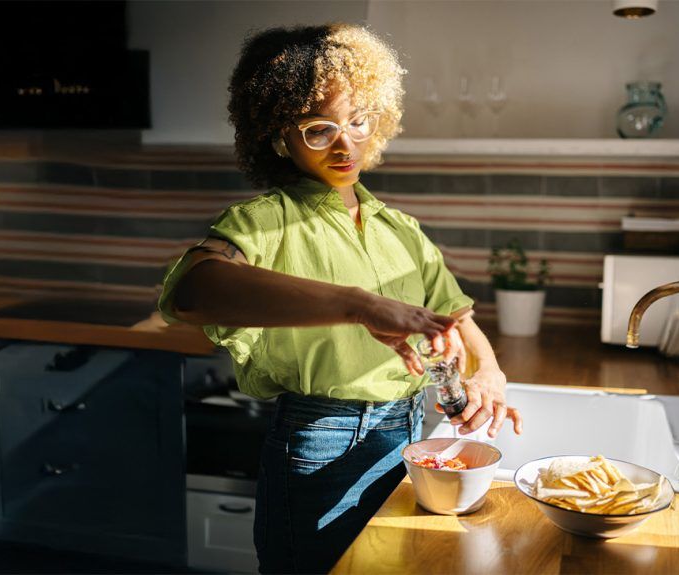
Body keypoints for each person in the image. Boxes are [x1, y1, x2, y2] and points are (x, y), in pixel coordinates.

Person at [157, 23, 523, 574]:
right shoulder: (263, 223)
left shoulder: (400, 228)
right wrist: (359, 303)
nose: (345, 143)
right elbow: (192, 291)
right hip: (320, 443)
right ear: (280, 137)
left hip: (410, 436)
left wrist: (489, 372)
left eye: (357, 121)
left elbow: (458, 321)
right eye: (318, 129)